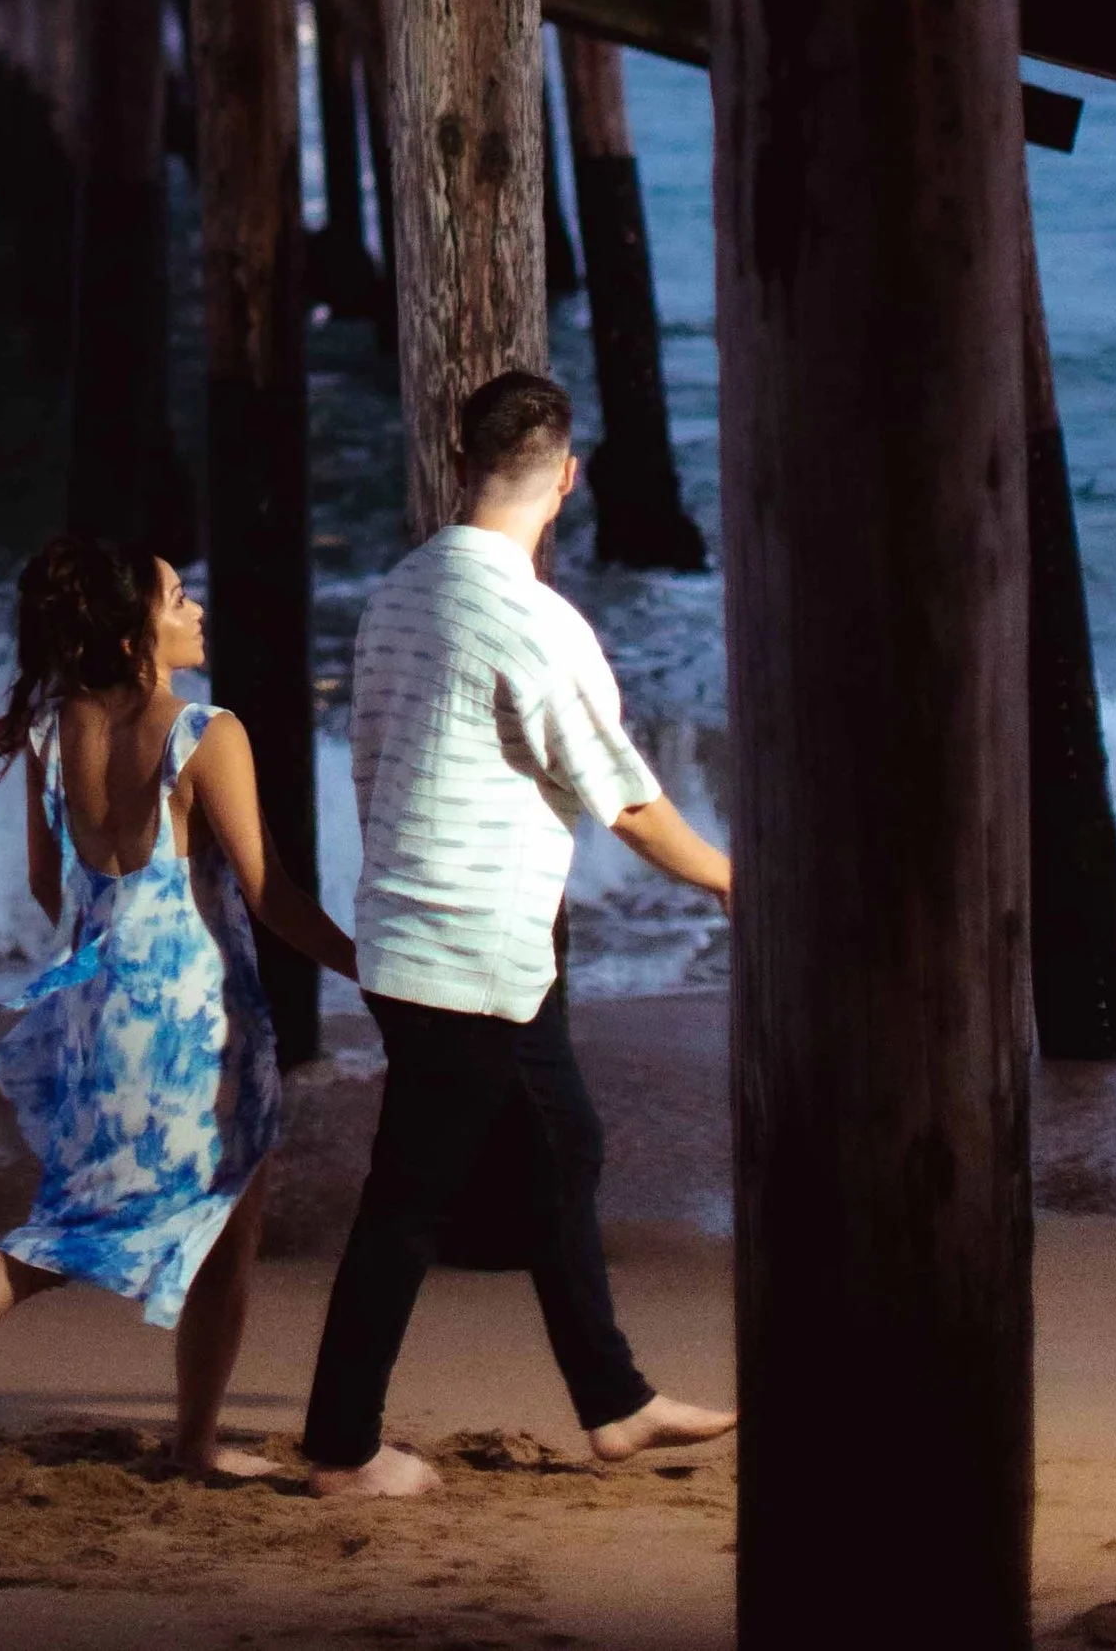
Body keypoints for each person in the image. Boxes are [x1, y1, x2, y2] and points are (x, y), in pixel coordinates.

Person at [303, 369, 737, 1500]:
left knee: (564, 1146)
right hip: (468, 945)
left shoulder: (397, 592)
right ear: (568, 478)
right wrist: (739, 882)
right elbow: (628, 801)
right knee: (409, 1201)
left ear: (460, 461)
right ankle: (341, 1448)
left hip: (427, 931)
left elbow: (370, 761)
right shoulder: (534, 619)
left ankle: (616, 1403)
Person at [0, 536, 358, 1488]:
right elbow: (271, 895)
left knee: (62, 1224)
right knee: (232, 1223)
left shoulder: (53, 734)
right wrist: (370, 964)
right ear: (134, 636)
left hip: (100, 1010)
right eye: (175, 598)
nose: (195, 609)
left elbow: (53, 889)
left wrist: (113, 961)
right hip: (203, 1024)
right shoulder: (206, 733)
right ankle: (196, 1445)